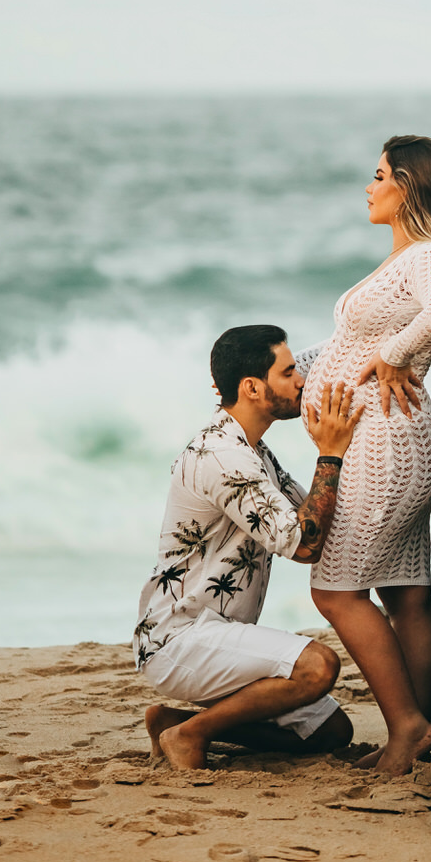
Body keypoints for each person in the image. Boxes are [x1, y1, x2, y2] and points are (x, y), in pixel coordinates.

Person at [298, 134, 431, 775]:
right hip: (396, 441)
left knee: (336, 591)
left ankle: (405, 729)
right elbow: (351, 343)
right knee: (404, 595)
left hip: (389, 446)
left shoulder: (426, 254)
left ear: (408, 186)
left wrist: (395, 354)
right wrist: (285, 376)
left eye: (378, 176)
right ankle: (419, 729)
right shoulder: (404, 259)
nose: (368, 187)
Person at [134, 323, 362, 770]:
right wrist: (330, 452)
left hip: (215, 633)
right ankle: (190, 734)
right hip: (179, 637)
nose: (303, 381)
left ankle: (172, 721)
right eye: (290, 372)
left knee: (331, 733)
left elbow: (311, 513)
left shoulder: (254, 450)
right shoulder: (224, 457)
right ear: (253, 387)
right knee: (317, 667)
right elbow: (304, 544)